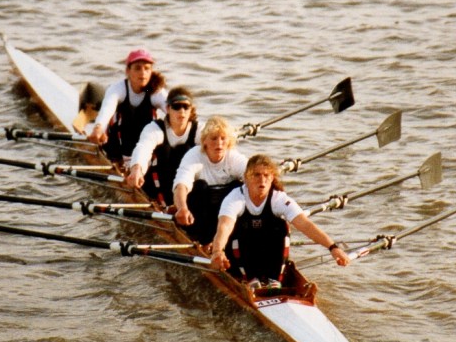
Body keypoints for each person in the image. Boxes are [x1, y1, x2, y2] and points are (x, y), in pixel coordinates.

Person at [208, 154, 349, 285]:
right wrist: (217, 251)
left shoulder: (279, 199)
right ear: (246, 177)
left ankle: (273, 280)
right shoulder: (235, 198)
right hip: (239, 250)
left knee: (282, 226)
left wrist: (332, 247)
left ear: (272, 178)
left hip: (266, 250)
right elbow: (224, 227)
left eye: (266, 175)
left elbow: (305, 224)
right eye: (256, 175)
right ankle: (246, 278)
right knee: (237, 228)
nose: (262, 180)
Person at [171, 115, 248, 244]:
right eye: (214, 138)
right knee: (200, 186)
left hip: (224, 213)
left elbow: (252, 175)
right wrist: (182, 208)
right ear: (204, 141)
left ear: (229, 142)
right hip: (201, 212)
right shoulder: (194, 155)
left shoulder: (233, 157)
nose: (219, 143)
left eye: (223, 138)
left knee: (239, 187)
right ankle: (200, 239)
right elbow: (181, 185)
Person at [86, 48, 168, 163]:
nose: (143, 73)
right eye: (137, 68)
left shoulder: (156, 92)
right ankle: (116, 158)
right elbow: (107, 109)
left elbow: (175, 112)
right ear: (127, 71)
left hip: (144, 145)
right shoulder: (117, 89)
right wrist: (98, 128)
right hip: (116, 144)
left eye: (147, 68)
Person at [124, 86, 200, 207]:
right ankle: (163, 203)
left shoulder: (199, 129)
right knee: (165, 151)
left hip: (184, 182)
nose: (182, 111)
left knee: (189, 151)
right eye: (176, 106)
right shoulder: (154, 128)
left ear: (191, 110)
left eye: (186, 107)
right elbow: (143, 148)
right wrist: (136, 169)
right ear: (168, 108)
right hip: (156, 181)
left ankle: (183, 205)